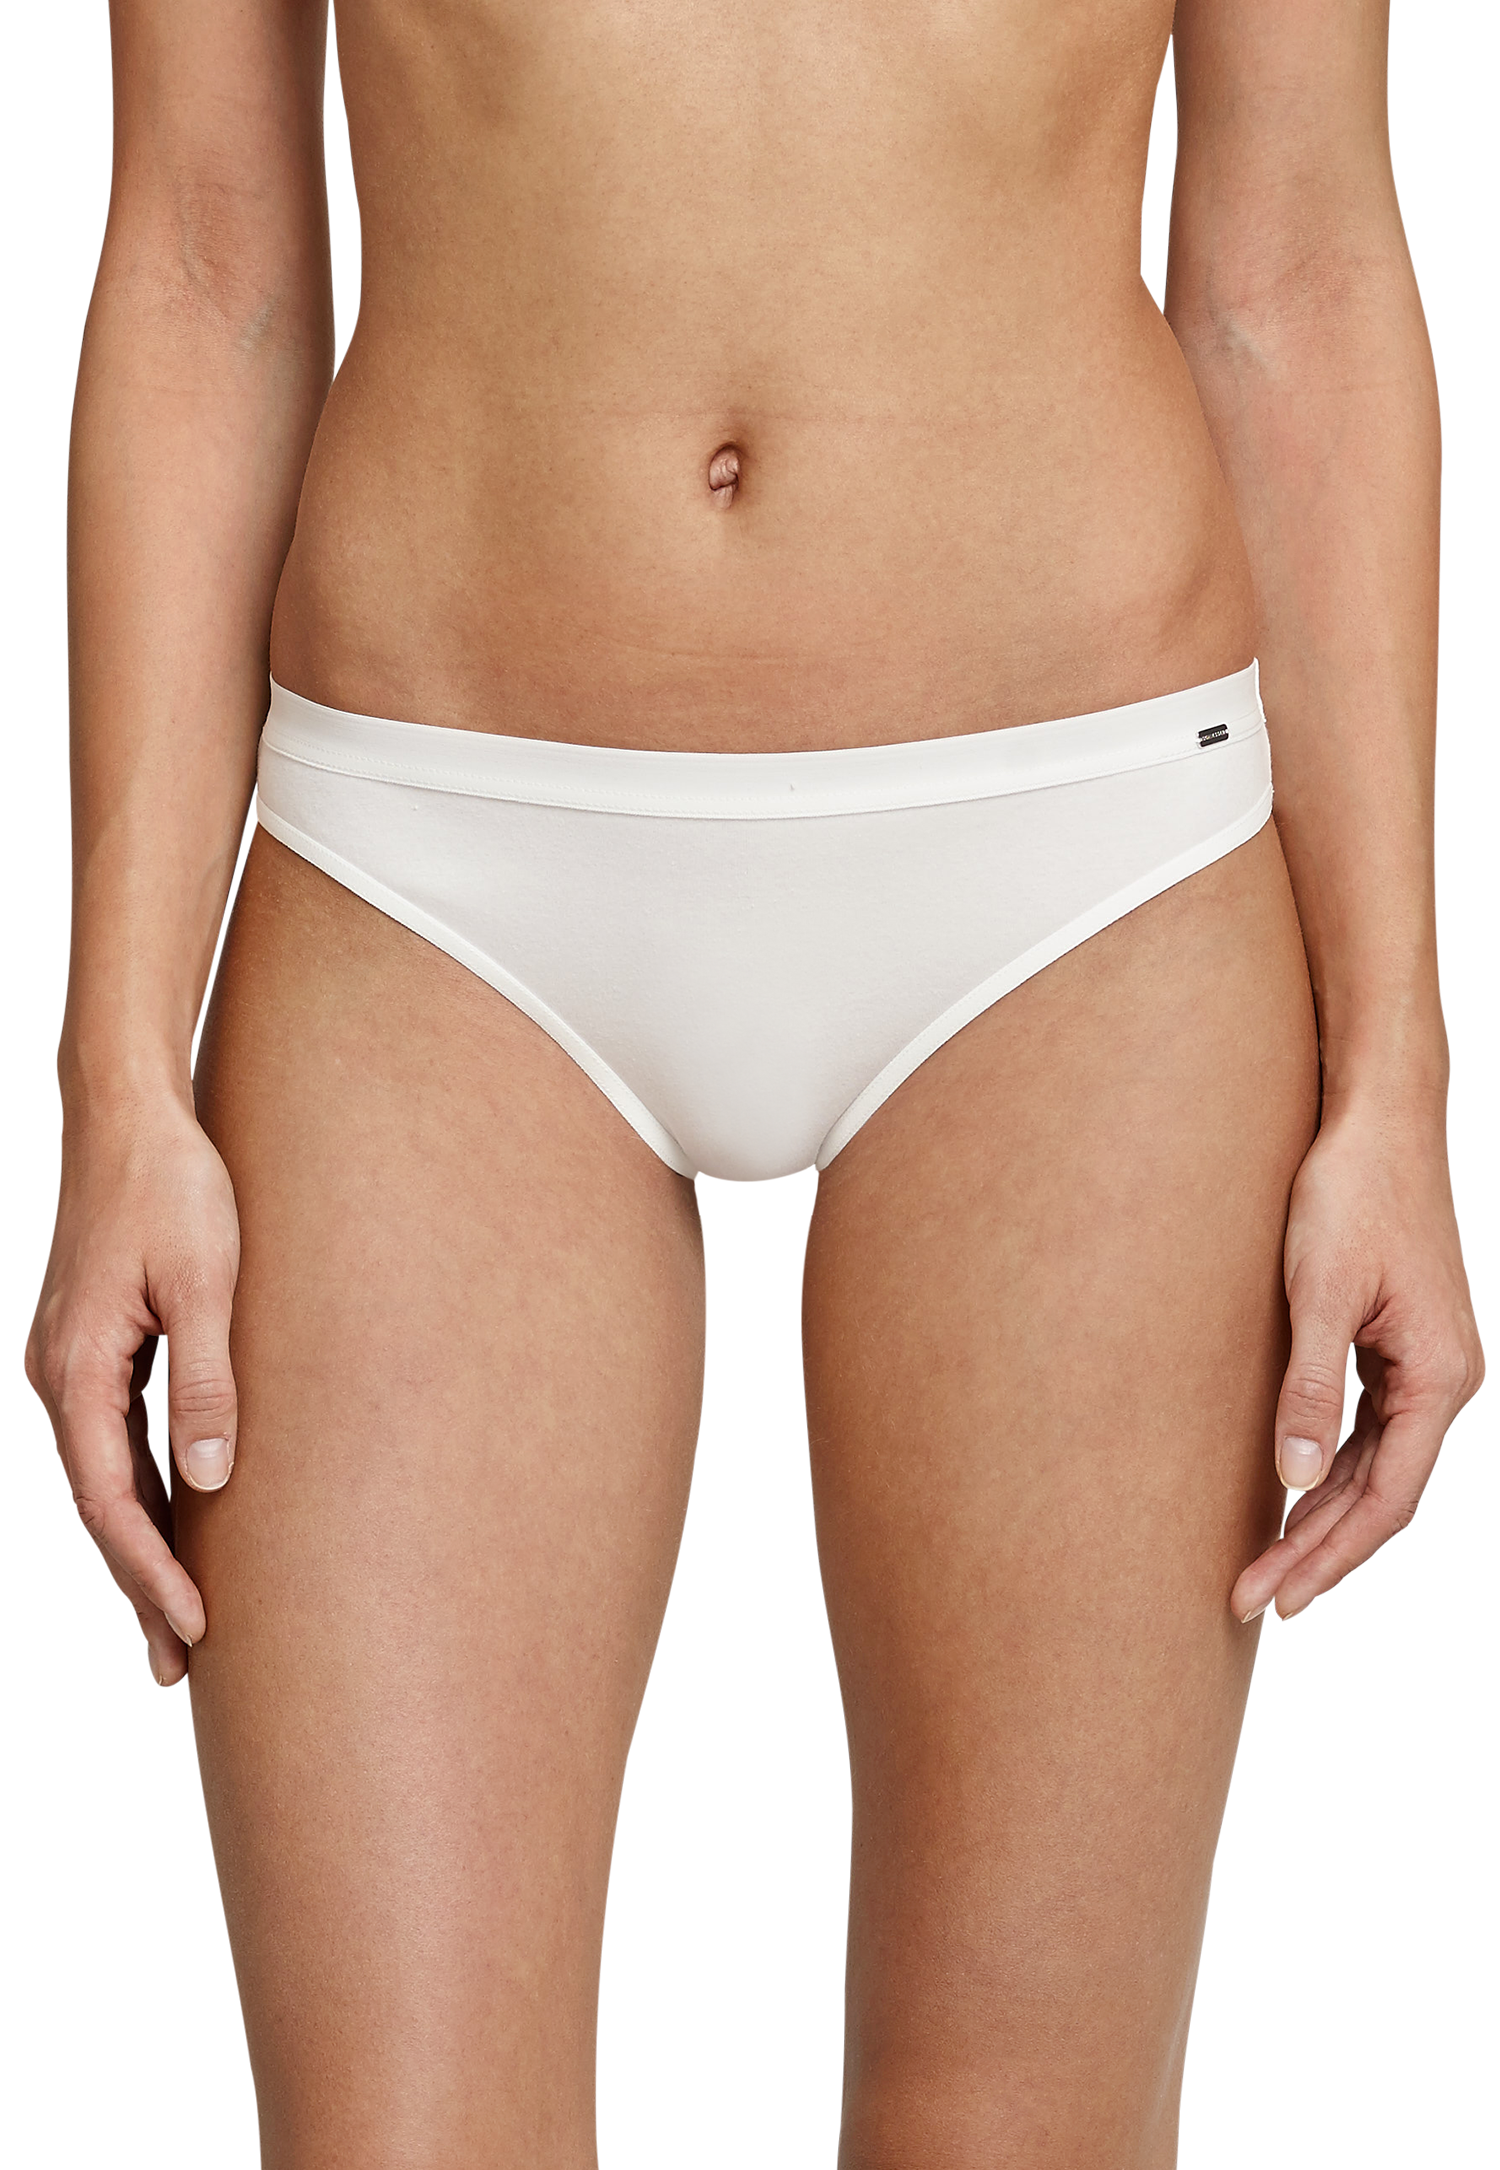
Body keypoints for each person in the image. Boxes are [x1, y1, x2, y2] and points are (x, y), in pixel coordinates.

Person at [25, 0, 1483, 2163]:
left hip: (1077, 871)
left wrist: (1393, 1084)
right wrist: (125, 1079)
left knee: (1018, 2134)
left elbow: (1296, 274)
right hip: (433, 871)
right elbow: (206, 260)